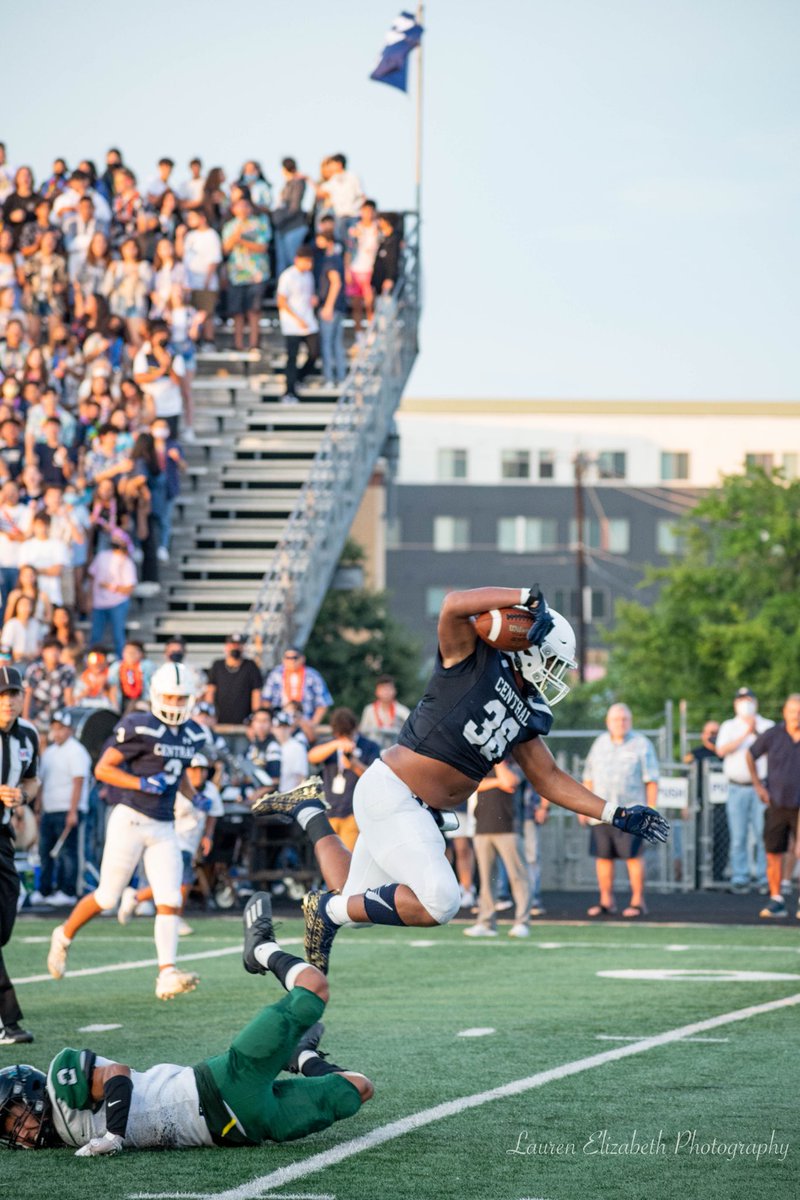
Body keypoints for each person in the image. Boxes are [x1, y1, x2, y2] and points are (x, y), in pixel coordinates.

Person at [255, 587, 669, 972]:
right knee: (440, 901)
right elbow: (453, 604)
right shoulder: (473, 658)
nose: (554, 673)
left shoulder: (530, 710)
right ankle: (326, 911)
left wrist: (615, 813)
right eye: (553, 662)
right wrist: (525, 596)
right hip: (393, 792)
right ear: (528, 646)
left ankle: (310, 811)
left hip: (419, 810)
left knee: (353, 900)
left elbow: (548, 777)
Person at [3, 893, 372, 1152]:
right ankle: (303, 1057)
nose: (17, 1132)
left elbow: (117, 1074)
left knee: (314, 990)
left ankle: (261, 950)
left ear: (30, 1093)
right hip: (246, 1130)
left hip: (223, 1081)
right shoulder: (65, 1139)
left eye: (12, 1118)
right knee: (358, 1088)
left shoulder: (60, 1084)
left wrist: (114, 1135)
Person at [47, 662, 207, 1000]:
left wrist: (194, 796)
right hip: (130, 818)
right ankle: (63, 934)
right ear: (156, 695)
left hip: (164, 824)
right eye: (169, 697)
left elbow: (177, 773)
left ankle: (167, 973)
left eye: (181, 698)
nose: (175, 704)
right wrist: (139, 782)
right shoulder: (139, 725)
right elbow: (103, 768)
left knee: (171, 898)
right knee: (107, 897)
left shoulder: (193, 733)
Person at [118, 751, 223, 937]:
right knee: (183, 881)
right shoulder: (178, 789)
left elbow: (213, 813)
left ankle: (136, 897)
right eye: (193, 770)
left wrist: (208, 836)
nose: (198, 774)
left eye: (202, 770)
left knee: (172, 883)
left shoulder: (210, 790)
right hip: (172, 839)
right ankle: (174, 917)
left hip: (190, 843)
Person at [579, 703, 660, 919]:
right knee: (603, 857)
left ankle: (638, 902)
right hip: (601, 812)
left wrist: (651, 809)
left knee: (633, 857)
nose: (620, 723)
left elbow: (651, 779)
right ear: (608, 722)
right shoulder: (599, 744)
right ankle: (606, 902)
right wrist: (583, 807)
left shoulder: (641, 744)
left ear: (630, 721)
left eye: (624, 719)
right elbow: (588, 777)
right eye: (616, 719)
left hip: (630, 813)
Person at [0, 665, 40, 1045]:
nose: (8, 700)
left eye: (13, 693)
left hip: (2, 836)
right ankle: (7, 1020)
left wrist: (23, 796)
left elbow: (32, 777)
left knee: (4, 925)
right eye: (2, 694)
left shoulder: (27, 734)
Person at [746, 694, 800, 919]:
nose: (796, 716)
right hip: (777, 802)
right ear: (784, 713)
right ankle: (776, 899)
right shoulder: (773, 735)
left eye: (799, 712)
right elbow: (750, 754)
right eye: (792, 711)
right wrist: (758, 786)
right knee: (773, 852)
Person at [464, 759, 530, 939]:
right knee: (486, 880)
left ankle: (522, 922)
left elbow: (510, 781)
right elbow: (472, 785)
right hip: (482, 827)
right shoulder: (481, 764)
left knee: (518, 877)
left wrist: (499, 764)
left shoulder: (516, 762)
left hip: (509, 827)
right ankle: (486, 923)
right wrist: (497, 783)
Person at [716, 687, 773, 894]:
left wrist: (755, 731)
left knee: (763, 834)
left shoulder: (767, 725)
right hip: (736, 787)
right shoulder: (729, 726)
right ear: (735, 704)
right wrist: (745, 733)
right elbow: (721, 750)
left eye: (748, 700)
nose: (745, 704)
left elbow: (774, 750)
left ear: (756, 703)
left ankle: (764, 877)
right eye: (741, 700)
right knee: (738, 835)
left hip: (762, 788)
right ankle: (740, 877)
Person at [31, 709, 90, 907]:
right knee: (45, 851)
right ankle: (45, 889)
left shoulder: (76, 751)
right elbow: (42, 782)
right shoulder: (49, 752)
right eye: (54, 728)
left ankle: (68, 890)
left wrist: (73, 811)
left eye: (61, 728)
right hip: (50, 809)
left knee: (67, 853)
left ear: (70, 730)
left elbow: (78, 782)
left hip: (67, 809)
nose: (57, 732)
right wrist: (38, 807)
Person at [307, 708, 380, 851]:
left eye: (348, 735)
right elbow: (312, 757)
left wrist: (354, 765)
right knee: (329, 856)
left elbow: (374, 777)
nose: (345, 738)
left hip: (354, 811)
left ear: (355, 728)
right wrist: (335, 744)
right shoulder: (330, 744)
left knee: (348, 857)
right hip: (329, 811)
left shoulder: (369, 746)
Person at [221, 191, 270, 352]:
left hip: (257, 274)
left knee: (254, 310)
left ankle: (254, 344)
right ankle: (238, 344)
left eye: (245, 206)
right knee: (237, 312)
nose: (243, 209)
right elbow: (226, 249)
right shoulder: (230, 226)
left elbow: (262, 247)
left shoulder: (260, 223)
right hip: (236, 275)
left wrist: (242, 240)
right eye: (239, 206)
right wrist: (236, 236)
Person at [683, 720, 727, 883]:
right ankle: (696, 878)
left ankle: (717, 877)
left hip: (721, 805)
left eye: (716, 733)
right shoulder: (695, 754)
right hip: (699, 805)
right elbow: (685, 781)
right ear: (703, 735)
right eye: (709, 733)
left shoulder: (725, 754)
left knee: (722, 841)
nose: (712, 736)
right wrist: (685, 805)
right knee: (697, 842)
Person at [276, 245, 319, 404]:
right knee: (292, 358)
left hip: (308, 321)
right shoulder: (287, 276)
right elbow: (281, 301)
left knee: (315, 352)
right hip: (292, 324)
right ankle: (289, 391)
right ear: (297, 260)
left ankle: (299, 378)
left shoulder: (309, 276)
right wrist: (297, 319)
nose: (308, 265)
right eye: (306, 261)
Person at [87, 529, 136, 657]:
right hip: (99, 603)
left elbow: (129, 588)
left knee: (118, 636)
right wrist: (89, 596)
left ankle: (121, 661)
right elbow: (92, 576)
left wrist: (110, 586)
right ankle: (93, 660)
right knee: (95, 636)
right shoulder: (102, 556)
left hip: (118, 602)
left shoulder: (127, 562)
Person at [262, 647, 332, 733]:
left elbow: (323, 703)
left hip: (304, 719)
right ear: (283, 659)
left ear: (302, 658)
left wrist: (313, 723)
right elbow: (266, 699)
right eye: (288, 658)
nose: (291, 661)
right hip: (279, 720)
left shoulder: (313, 676)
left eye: (295, 658)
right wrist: (269, 719)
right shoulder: (275, 674)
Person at [181, 208, 222, 349]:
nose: (189, 221)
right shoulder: (189, 236)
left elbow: (214, 259)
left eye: (193, 217)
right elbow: (181, 254)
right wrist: (179, 237)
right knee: (193, 315)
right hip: (190, 283)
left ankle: (209, 341)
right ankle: (195, 342)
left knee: (207, 312)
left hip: (206, 282)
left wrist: (207, 280)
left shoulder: (211, 235)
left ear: (202, 218)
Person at [205, 634, 262, 726]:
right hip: (219, 720)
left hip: (244, 721)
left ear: (243, 647)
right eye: (232, 644)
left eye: (239, 645)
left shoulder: (250, 666)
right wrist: (209, 714)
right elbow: (210, 692)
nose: (235, 647)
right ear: (226, 646)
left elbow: (256, 693)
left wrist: (255, 717)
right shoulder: (217, 665)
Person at [22, 636, 75, 728]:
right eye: (50, 650)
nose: (54, 653)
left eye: (57, 650)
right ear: (43, 652)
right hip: (36, 717)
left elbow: (68, 697)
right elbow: (27, 694)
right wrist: (25, 718)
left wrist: (69, 722)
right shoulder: (34, 669)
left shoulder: (67, 671)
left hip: (58, 718)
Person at [272, 158, 308, 276]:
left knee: (293, 261)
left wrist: (279, 219)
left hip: (293, 227)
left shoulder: (297, 182)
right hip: (282, 228)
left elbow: (294, 207)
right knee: (282, 263)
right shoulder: (286, 184)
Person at [359, 674, 411, 751]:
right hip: (373, 752)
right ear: (377, 691)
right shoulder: (369, 710)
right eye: (383, 689)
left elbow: (410, 733)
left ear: (395, 691)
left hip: (396, 752)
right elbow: (363, 732)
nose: (386, 692)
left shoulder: (403, 712)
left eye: (389, 689)